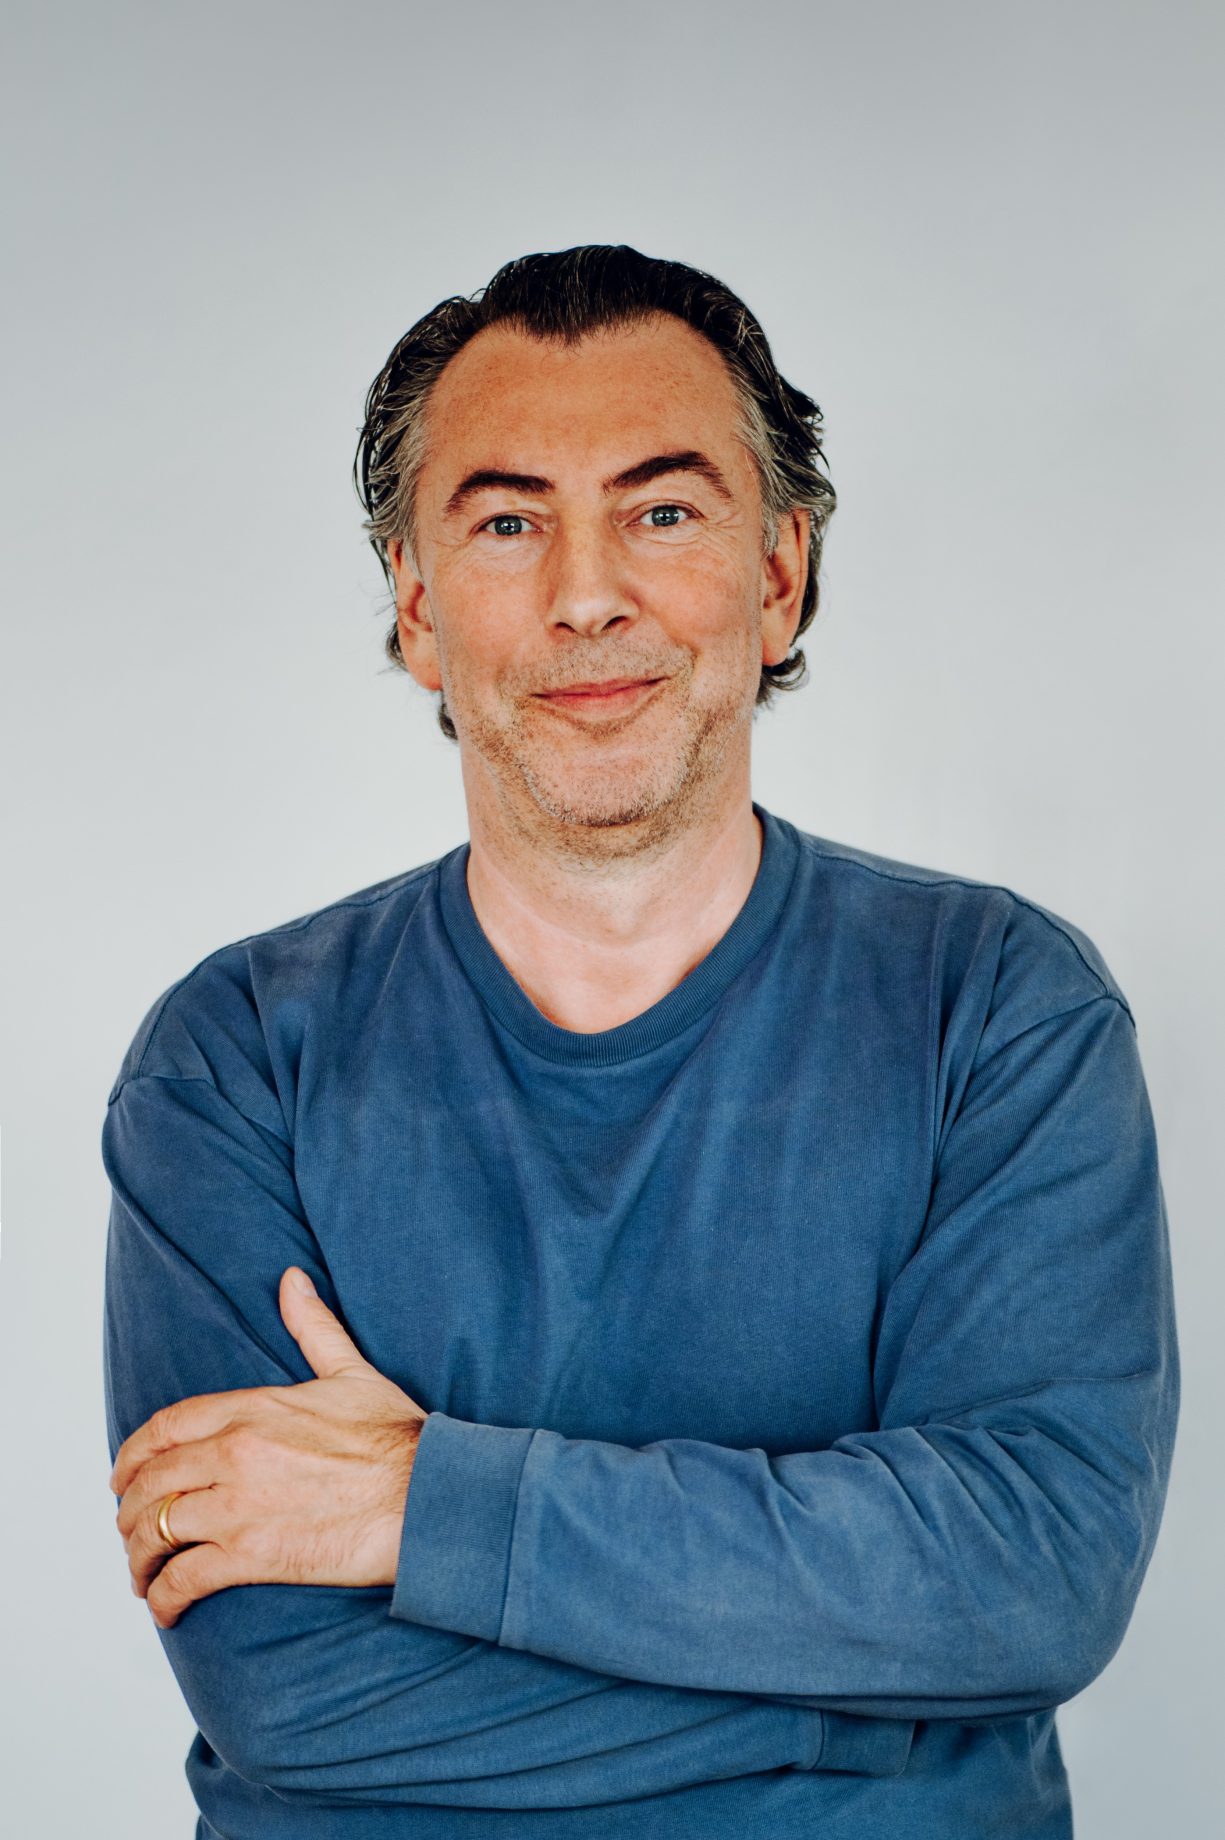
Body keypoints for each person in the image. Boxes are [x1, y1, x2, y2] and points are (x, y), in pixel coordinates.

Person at [102, 244, 1179, 1839]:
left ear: (777, 572)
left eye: (662, 510)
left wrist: (426, 1506)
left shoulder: (998, 1009)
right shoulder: (235, 1058)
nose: (585, 590)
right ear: (413, 601)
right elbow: (288, 1691)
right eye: (507, 521)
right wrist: (874, 1717)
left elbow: (1032, 1583)